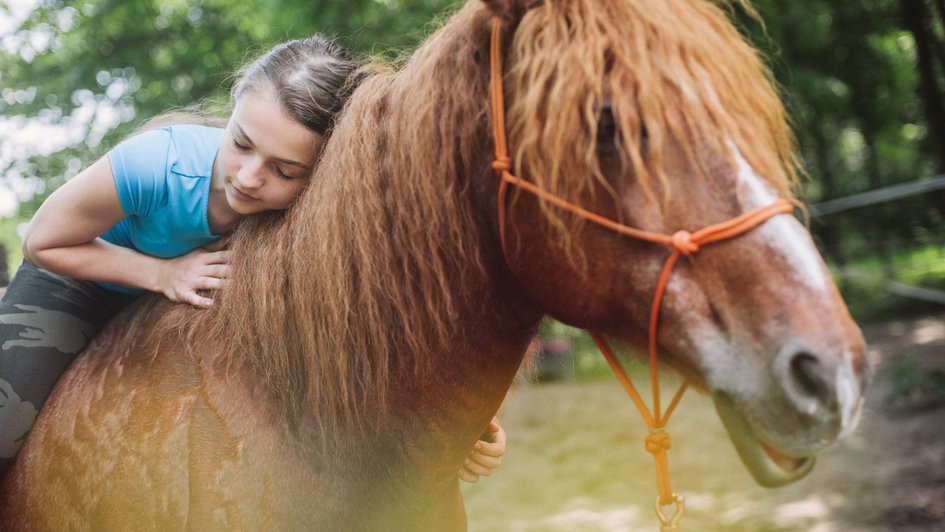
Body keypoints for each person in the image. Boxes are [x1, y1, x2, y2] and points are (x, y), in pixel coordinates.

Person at [0, 35, 506, 479]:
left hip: (180, 296)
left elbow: (373, 315)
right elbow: (43, 241)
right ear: (234, 107)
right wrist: (162, 272)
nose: (248, 178)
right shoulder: (158, 162)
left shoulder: (318, 213)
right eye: (241, 143)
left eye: (284, 171)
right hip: (78, 281)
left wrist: (462, 427)